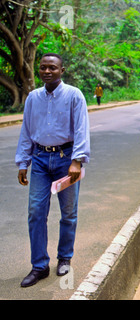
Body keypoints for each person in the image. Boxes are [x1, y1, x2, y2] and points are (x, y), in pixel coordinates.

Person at [15, 53, 90, 287]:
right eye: (43, 68)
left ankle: (65, 258)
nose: (47, 72)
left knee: (68, 213)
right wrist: (22, 162)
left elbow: (81, 129)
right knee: (36, 212)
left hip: (65, 159)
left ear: (62, 70)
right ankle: (39, 265)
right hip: (38, 160)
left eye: (52, 68)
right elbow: (27, 131)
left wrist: (77, 160)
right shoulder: (33, 98)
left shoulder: (73, 95)